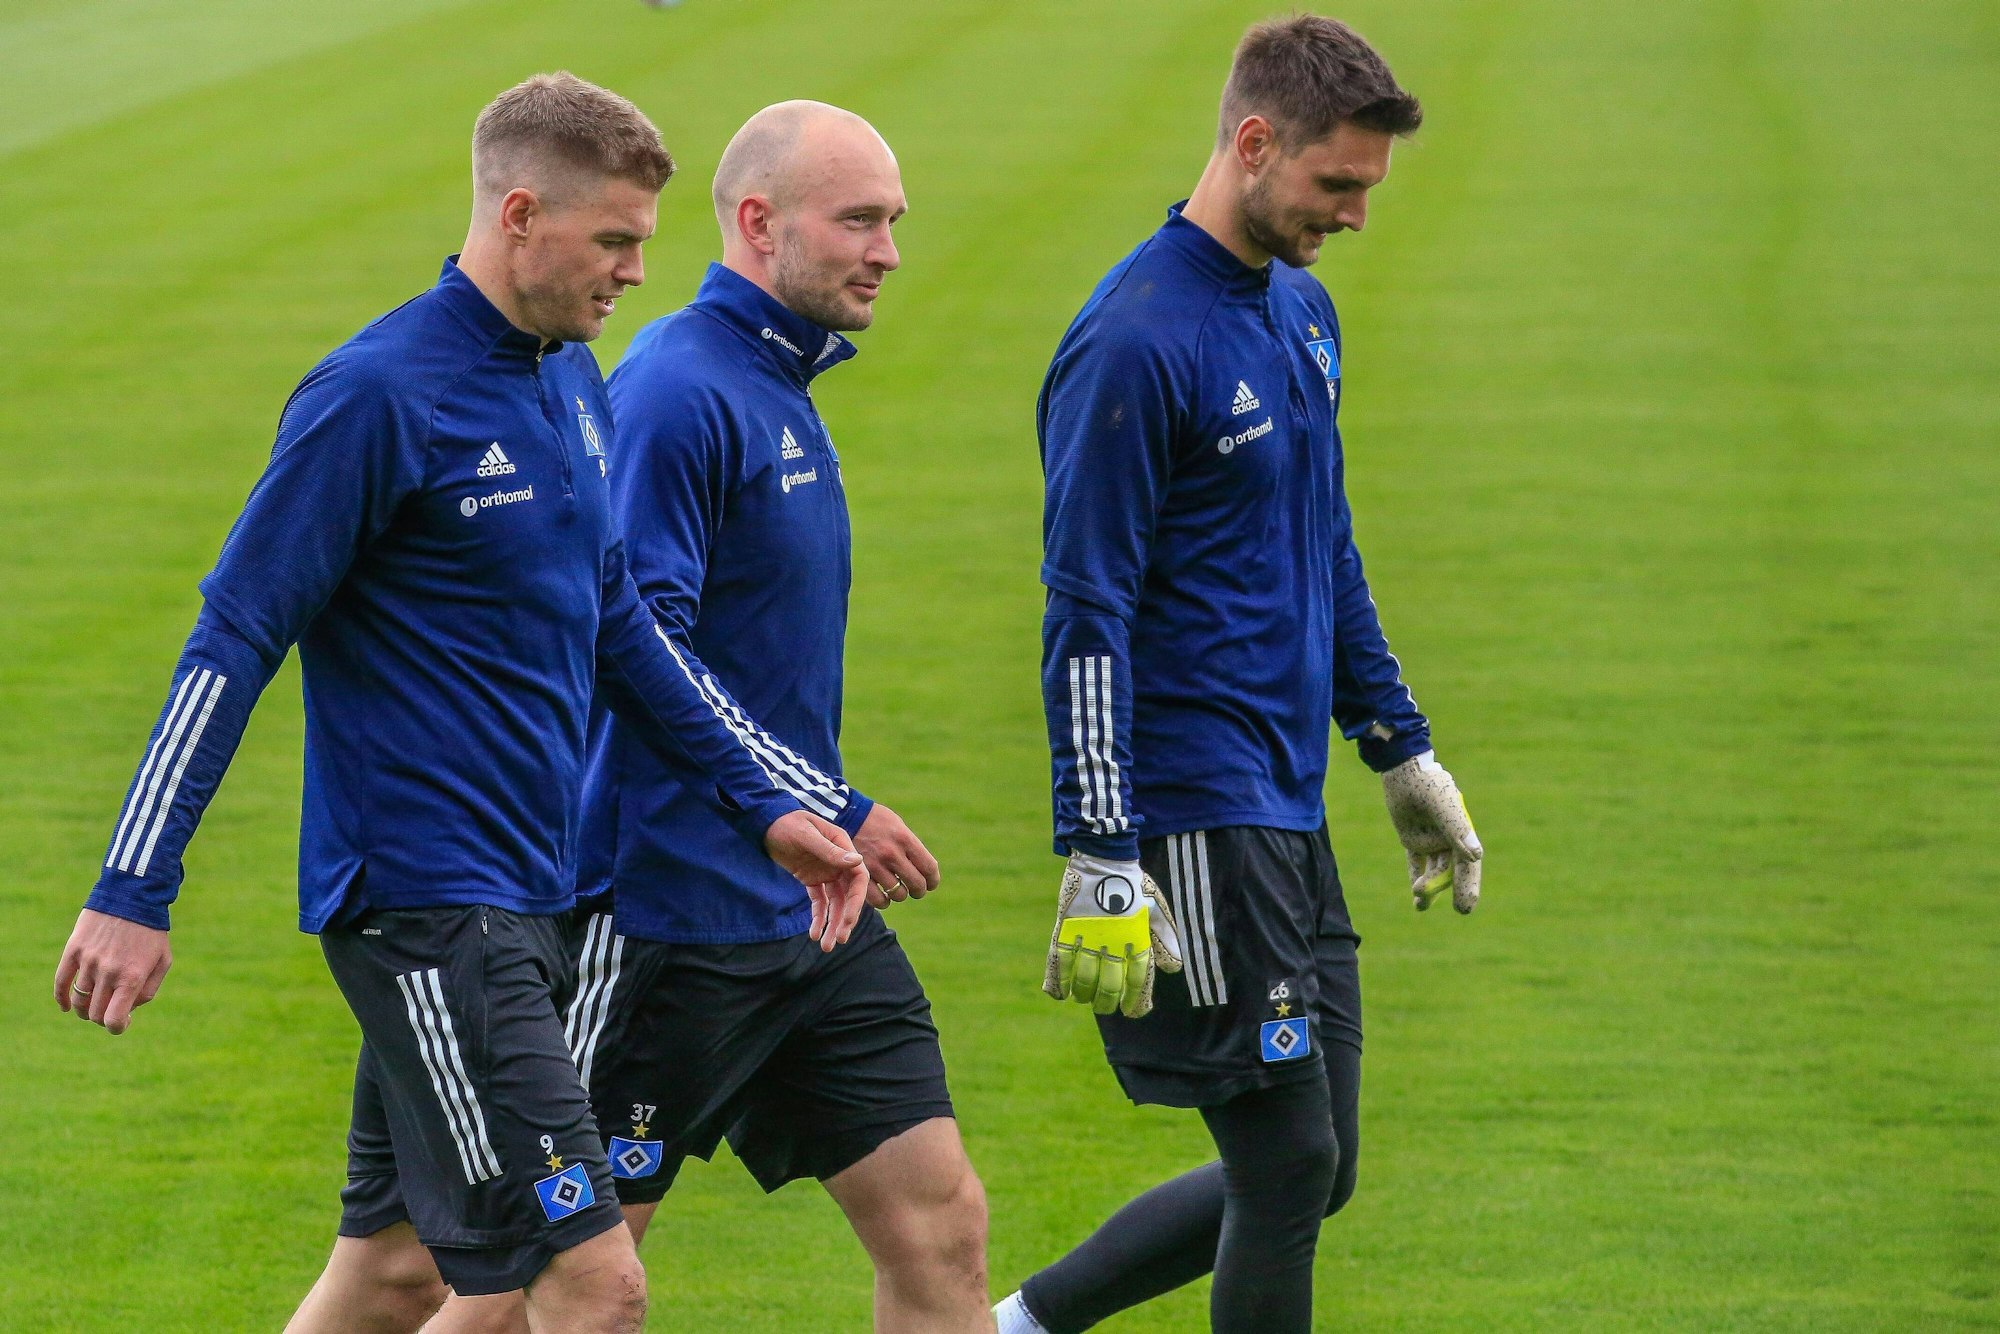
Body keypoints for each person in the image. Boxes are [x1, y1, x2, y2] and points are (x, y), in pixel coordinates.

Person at [52, 72, 871, 1334]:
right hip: (428, 911)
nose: (636, 275)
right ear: (520, 215)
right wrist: (131, 887)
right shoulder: (379, 394)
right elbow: (236, 634)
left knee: (388, 1278)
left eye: (643, 244)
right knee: (594, 1287)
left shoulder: (569, 385)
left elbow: (624, 633)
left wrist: (766, 806)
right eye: (612, 242)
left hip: (529, 900)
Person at [996, 16, 1485, 1334]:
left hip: (1284, 805)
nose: (1356, 217)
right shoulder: (1134, 343)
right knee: (1285, 1162)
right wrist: (1102, 845)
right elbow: (1083, 610)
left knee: (1321, 1163)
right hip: (1191, 812)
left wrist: (1398, 746)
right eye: (1339, 185)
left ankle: (1013, 1327)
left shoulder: (1300, 316)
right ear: (1254, 144)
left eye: (1370, 191)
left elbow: (1323, 541)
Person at [558, 100, 989, 1333]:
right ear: (758, 223)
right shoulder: (677, 391)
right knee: (565, 1286)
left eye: (892, 220)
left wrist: (825, 817)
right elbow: (642, 649)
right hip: (661, 921)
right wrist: (829, 801)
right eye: (859, 219)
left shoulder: (774, 378)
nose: (888, 250)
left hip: (810, 911)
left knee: (941, 1222)